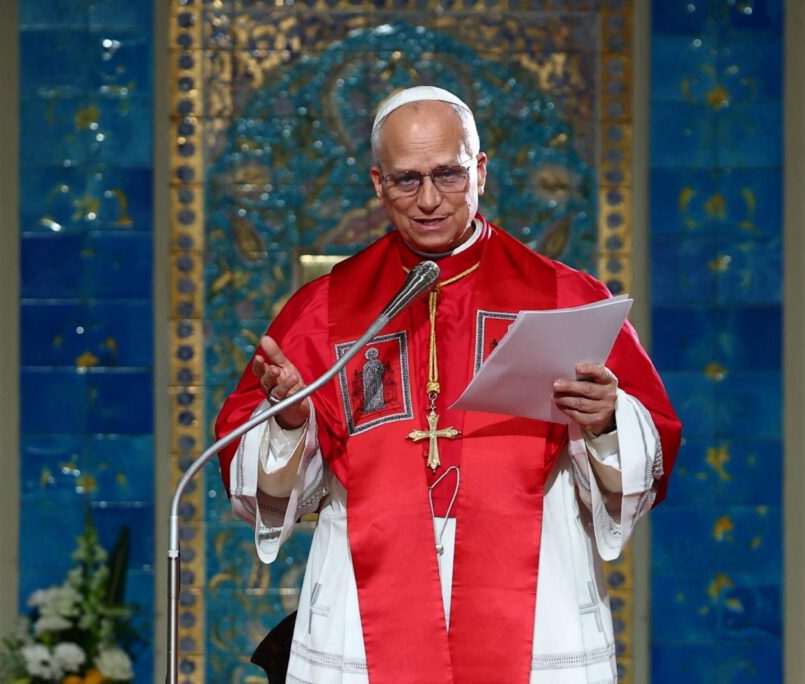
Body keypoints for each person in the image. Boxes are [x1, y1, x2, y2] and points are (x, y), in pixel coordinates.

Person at [216, 86, 681, 684]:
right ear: (378, 183)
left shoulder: (565, 297)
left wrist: (606, 419)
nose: (430, 200)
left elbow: (656, 441)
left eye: (449, 175)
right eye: (407, 181)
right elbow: (266, 480)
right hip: (367, 605)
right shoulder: (326, 309)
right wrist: (287, 418)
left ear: (480, 171)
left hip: (536, 597)